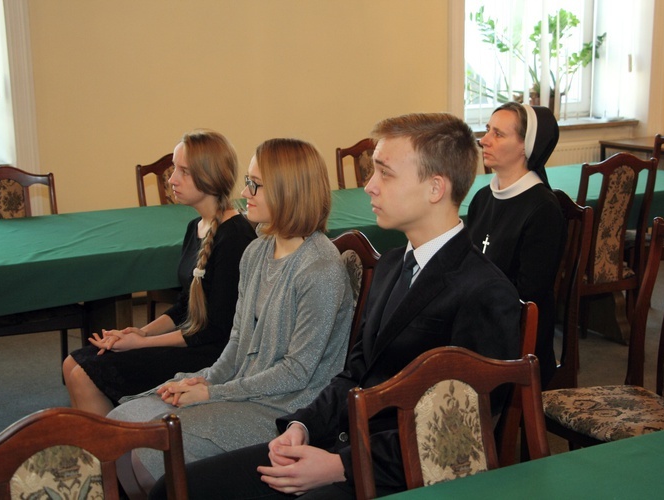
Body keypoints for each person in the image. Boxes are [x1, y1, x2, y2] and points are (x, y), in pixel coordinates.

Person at [150, 112, 522, 499]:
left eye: (384, 173)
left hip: (398, 472)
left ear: (435, 188)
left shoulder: (485, 292)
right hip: (343, 443)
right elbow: (354, 373)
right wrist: (302, 427)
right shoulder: (394, 264)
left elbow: (458, 435)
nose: (369, 187)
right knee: (176, 487)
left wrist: (341, 465)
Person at [107, 138, 354, 482]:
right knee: (122, 422)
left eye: (255, 184)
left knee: (151, 444)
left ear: (289, 191)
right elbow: (237, 342)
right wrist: (204, 378)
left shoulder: (319, 268)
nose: (244, 191)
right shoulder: (256, 252)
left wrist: (212, 393)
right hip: (246, 389)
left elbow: (297, 373)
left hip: (287, 406)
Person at [63, 130, 257, 416]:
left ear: (210, 176)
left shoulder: (235, 237)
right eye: (174, 169)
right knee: (72, 364)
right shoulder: (196, 227)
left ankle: (113, 451)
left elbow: (215, 331)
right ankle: (107, 448)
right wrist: (139, 331)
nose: (171, 179)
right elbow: (184, 306)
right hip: (193, 339)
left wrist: (142, 343)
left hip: (213, 353)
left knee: (83, 373)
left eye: (184, 172)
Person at [467, 102, 566, 389]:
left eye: (498, 134)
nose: (484, 140)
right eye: (487, 130)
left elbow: (529, 292)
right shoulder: (482, 199)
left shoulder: (542, 209)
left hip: (517, 337)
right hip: (482, 319)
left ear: (526, 146)